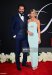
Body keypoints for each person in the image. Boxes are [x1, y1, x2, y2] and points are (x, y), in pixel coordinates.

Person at [12, 4, 29, 71]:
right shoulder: (15, 17)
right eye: (20, 9)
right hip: (18, 37)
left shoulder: (26, 16)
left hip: (25, 37)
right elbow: (12, 27)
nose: (21, 10)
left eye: (22, 9)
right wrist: (14, 35)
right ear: (18, 9)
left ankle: (24, 63)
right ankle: (18, 65)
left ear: (24, 9)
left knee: (25, 50)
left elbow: (26, 26)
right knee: (17, 51)